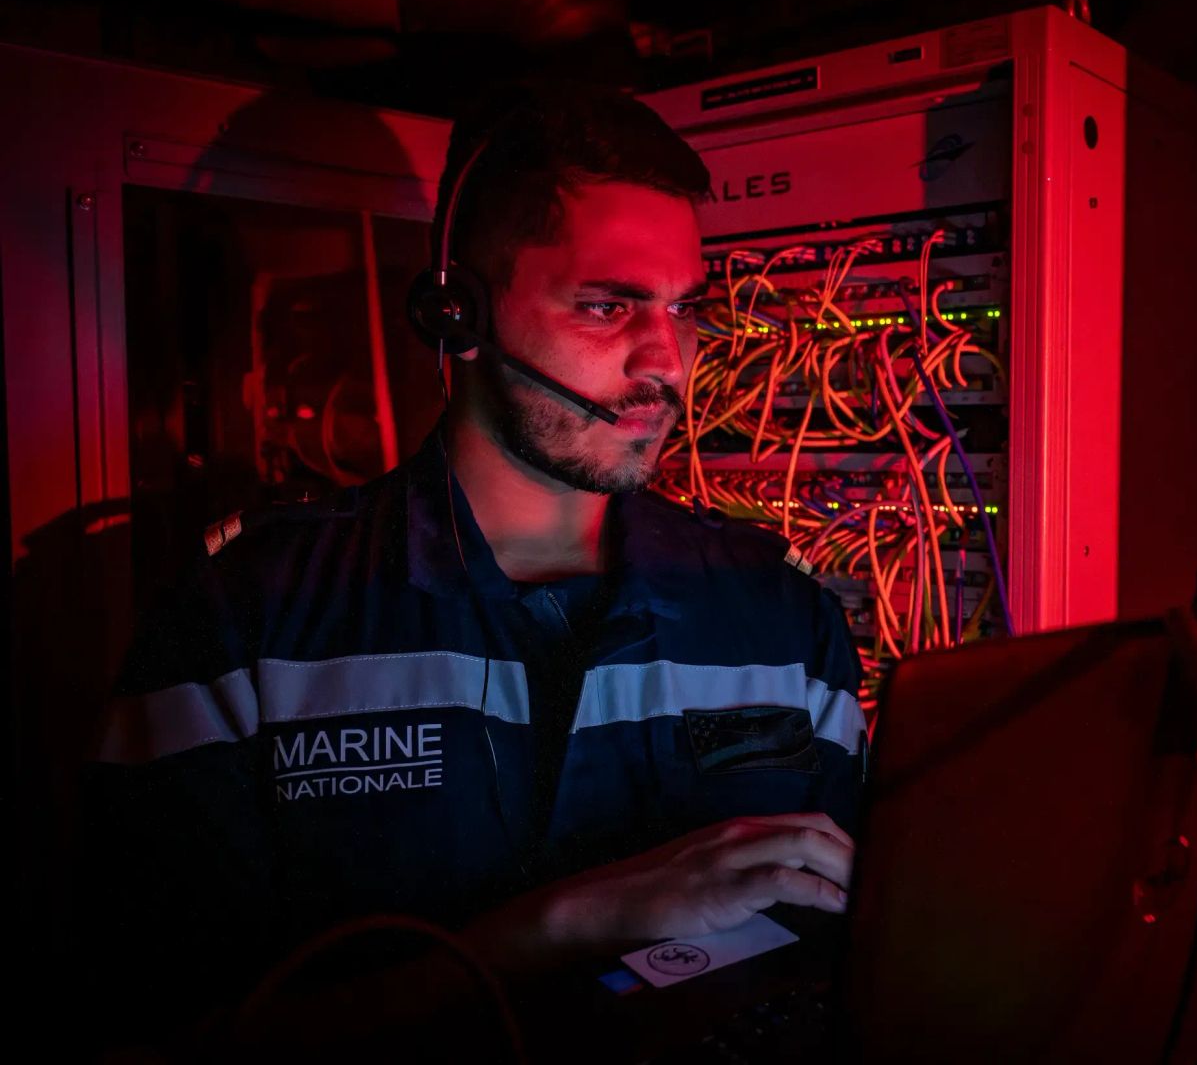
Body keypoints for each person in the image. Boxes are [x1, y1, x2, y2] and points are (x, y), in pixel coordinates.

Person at [81, 81, 866, 1055]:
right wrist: (561, 926)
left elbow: (858, 958)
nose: (668, 362)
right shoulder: (249, 623)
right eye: (606, 305)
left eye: (686, 309)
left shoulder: (779, 617)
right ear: (457, 312)